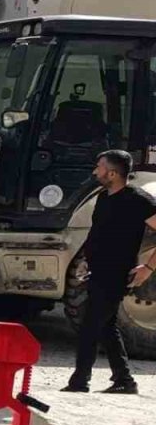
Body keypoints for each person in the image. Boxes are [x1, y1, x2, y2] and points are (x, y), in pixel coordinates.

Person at [63, 150, 156, 394]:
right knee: (106, 326)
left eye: (100, 167)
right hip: (97, 271)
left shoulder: (138, 200)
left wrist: (148, 267)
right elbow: (97, 234)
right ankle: (124, 380)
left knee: (90, 325)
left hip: (117, 273)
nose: (95, 171)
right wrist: (85, 261)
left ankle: (79, 381)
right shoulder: (104, 197)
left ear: (113, 173)